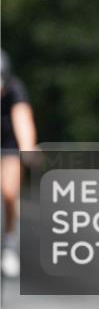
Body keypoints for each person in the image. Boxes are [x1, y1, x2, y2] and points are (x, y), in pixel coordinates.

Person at [1, 49, 37, 278]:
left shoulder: (15, 90)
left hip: (9, 147)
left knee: (9, 193)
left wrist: (28, 149)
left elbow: (23, 120)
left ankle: (10, 240)